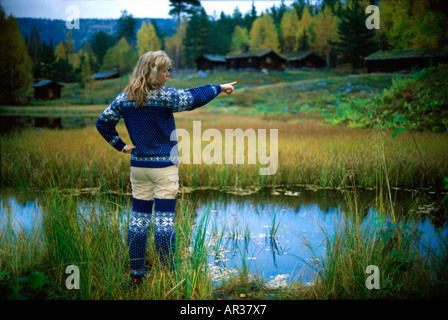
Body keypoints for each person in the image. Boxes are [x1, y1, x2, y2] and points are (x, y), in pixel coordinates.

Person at [96, 50, 236, 286]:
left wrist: (120, 146)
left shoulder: (125, 98)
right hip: (164, 168)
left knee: (138, 222)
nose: (168, 74)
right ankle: (169, 275)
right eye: (164, 70)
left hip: (138, 167)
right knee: (164, 223)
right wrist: (219, 87)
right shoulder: (165, 97)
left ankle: (136, 276)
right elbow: (194, 97)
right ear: (152, 72)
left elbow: (103, 122)